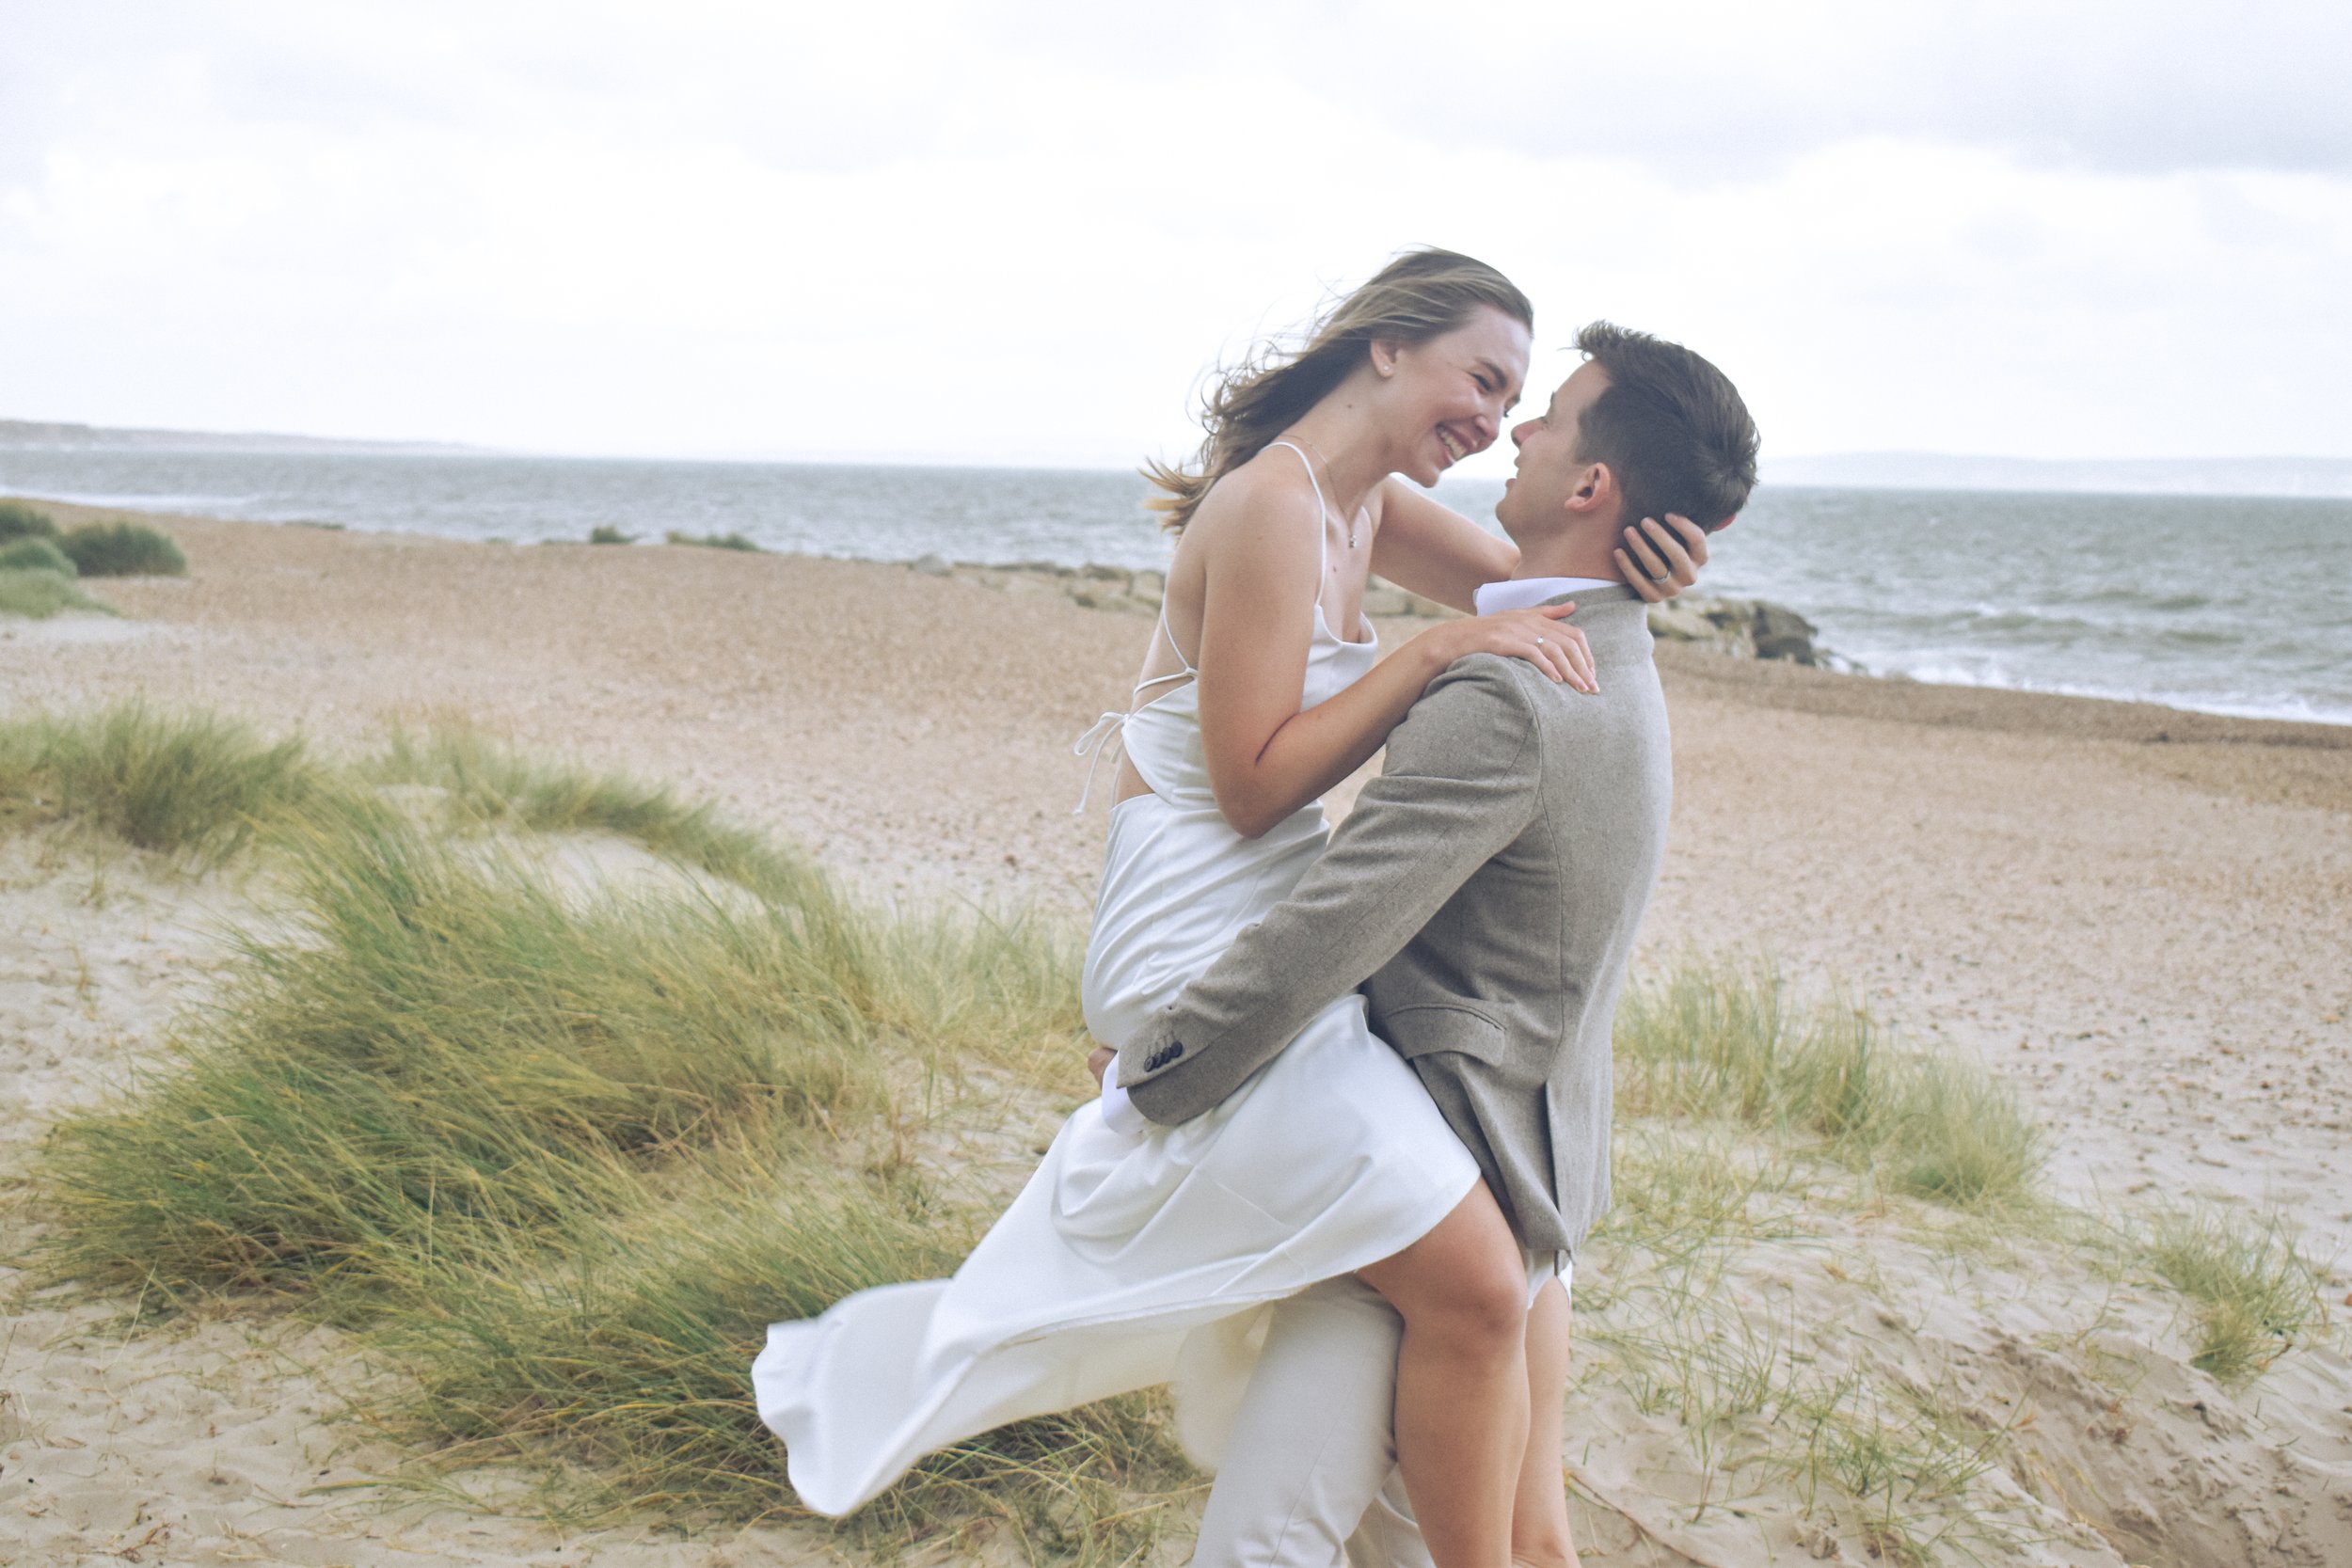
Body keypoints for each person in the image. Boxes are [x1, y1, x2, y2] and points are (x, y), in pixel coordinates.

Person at [751, 252, 1714, 1560]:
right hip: (1196, 926)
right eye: (1483, 380)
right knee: (1483, 1279)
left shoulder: (1366, 504)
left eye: (1518, 401)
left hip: (1269, 922)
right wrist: (1428, 651)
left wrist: (1652, 559)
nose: (1498, 421)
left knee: (1495, 1273)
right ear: (1388, 348)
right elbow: (1255, 787)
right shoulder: (1273, 506)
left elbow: (1535, 589)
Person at [1111, 320, 1761, 1567]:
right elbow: (1507, 578)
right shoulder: (1610, 654)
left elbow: (1332, 926)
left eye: (1543, 409)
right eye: (1496, 386)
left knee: (1275, 1542)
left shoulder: (1507, 698)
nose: (1510, 425)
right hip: (1524, 1180)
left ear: (1589, 484)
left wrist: (1157, 1071)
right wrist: (1628, 573)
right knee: (1425, 1540)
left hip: (1433, 1161)